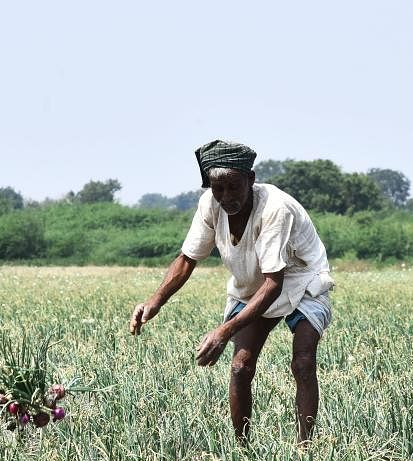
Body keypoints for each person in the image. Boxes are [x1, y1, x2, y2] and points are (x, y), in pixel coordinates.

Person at [129, 140, 335, 444]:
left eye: (234, 187)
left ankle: (305, 447)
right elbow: (187, 259)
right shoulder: (210, 205)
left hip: (301, 278)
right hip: (253, 285)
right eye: (218, 189)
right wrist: (155, 301)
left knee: (303, 361)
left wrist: (223, 331)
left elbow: (275, 283)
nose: (226, 197)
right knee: (240, 366)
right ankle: (243, 451)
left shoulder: (275, 209)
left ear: (251, 180)